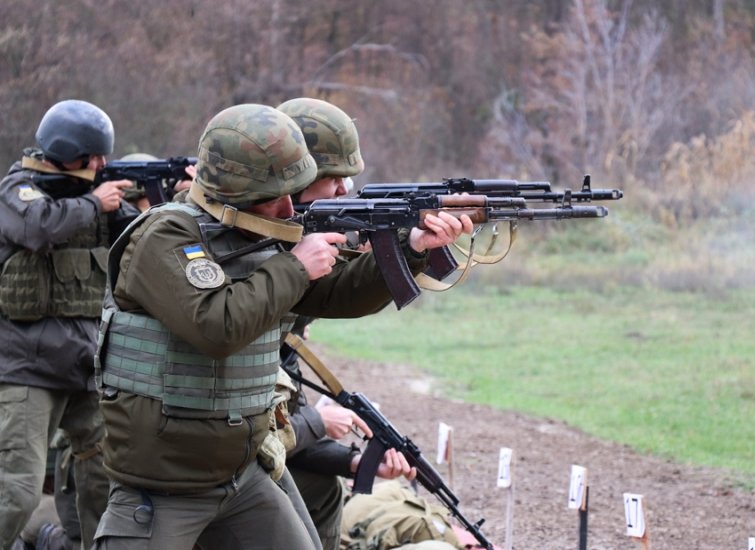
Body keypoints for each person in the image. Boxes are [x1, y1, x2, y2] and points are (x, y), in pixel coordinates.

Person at [91, 103, 473, 549]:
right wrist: (295, 266)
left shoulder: (254, 235)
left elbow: (336, 294)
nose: (291, 207)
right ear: (237, 191)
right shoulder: (164, 237)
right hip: (161, 489)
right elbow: (218, 326)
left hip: (240, 478)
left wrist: (411, 248)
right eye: (278, 194)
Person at [274, 96, 413, 550]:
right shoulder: (249, 253)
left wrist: (354, 464)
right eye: (333, 176)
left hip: (258, 441)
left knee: (321, 489)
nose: (347, 187)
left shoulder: (288, 246)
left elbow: (343, 294)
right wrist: (317, 421)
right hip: (208, 453)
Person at [0, 99, 137, 550]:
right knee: (16, 487)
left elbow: (140, 241)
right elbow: (36, 228)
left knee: (105, 477)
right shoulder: (18, 189)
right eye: (93, 156)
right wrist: (95, 203)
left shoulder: (100, 197)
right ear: (65, 149)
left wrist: (168, 199)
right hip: (26, 368)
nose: (100, 164)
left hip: (87, 364)